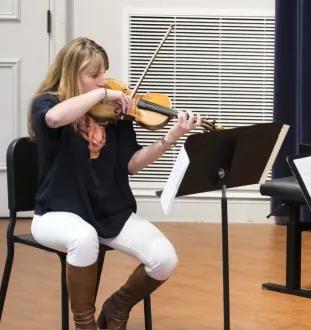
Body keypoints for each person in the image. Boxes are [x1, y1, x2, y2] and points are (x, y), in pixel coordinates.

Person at [28, 37, 201, 329]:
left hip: (109, 213)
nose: (103, 81)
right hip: (57, 213)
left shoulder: (115, 115)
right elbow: (55, 119)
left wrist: (171, 138)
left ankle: (117, 306)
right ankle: (86, 325)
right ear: (72, 74)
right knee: (83, 238)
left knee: (164, 259)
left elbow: (131, 165)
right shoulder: (48, 102)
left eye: (104, 73)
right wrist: (102, 94)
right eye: (94, 76)